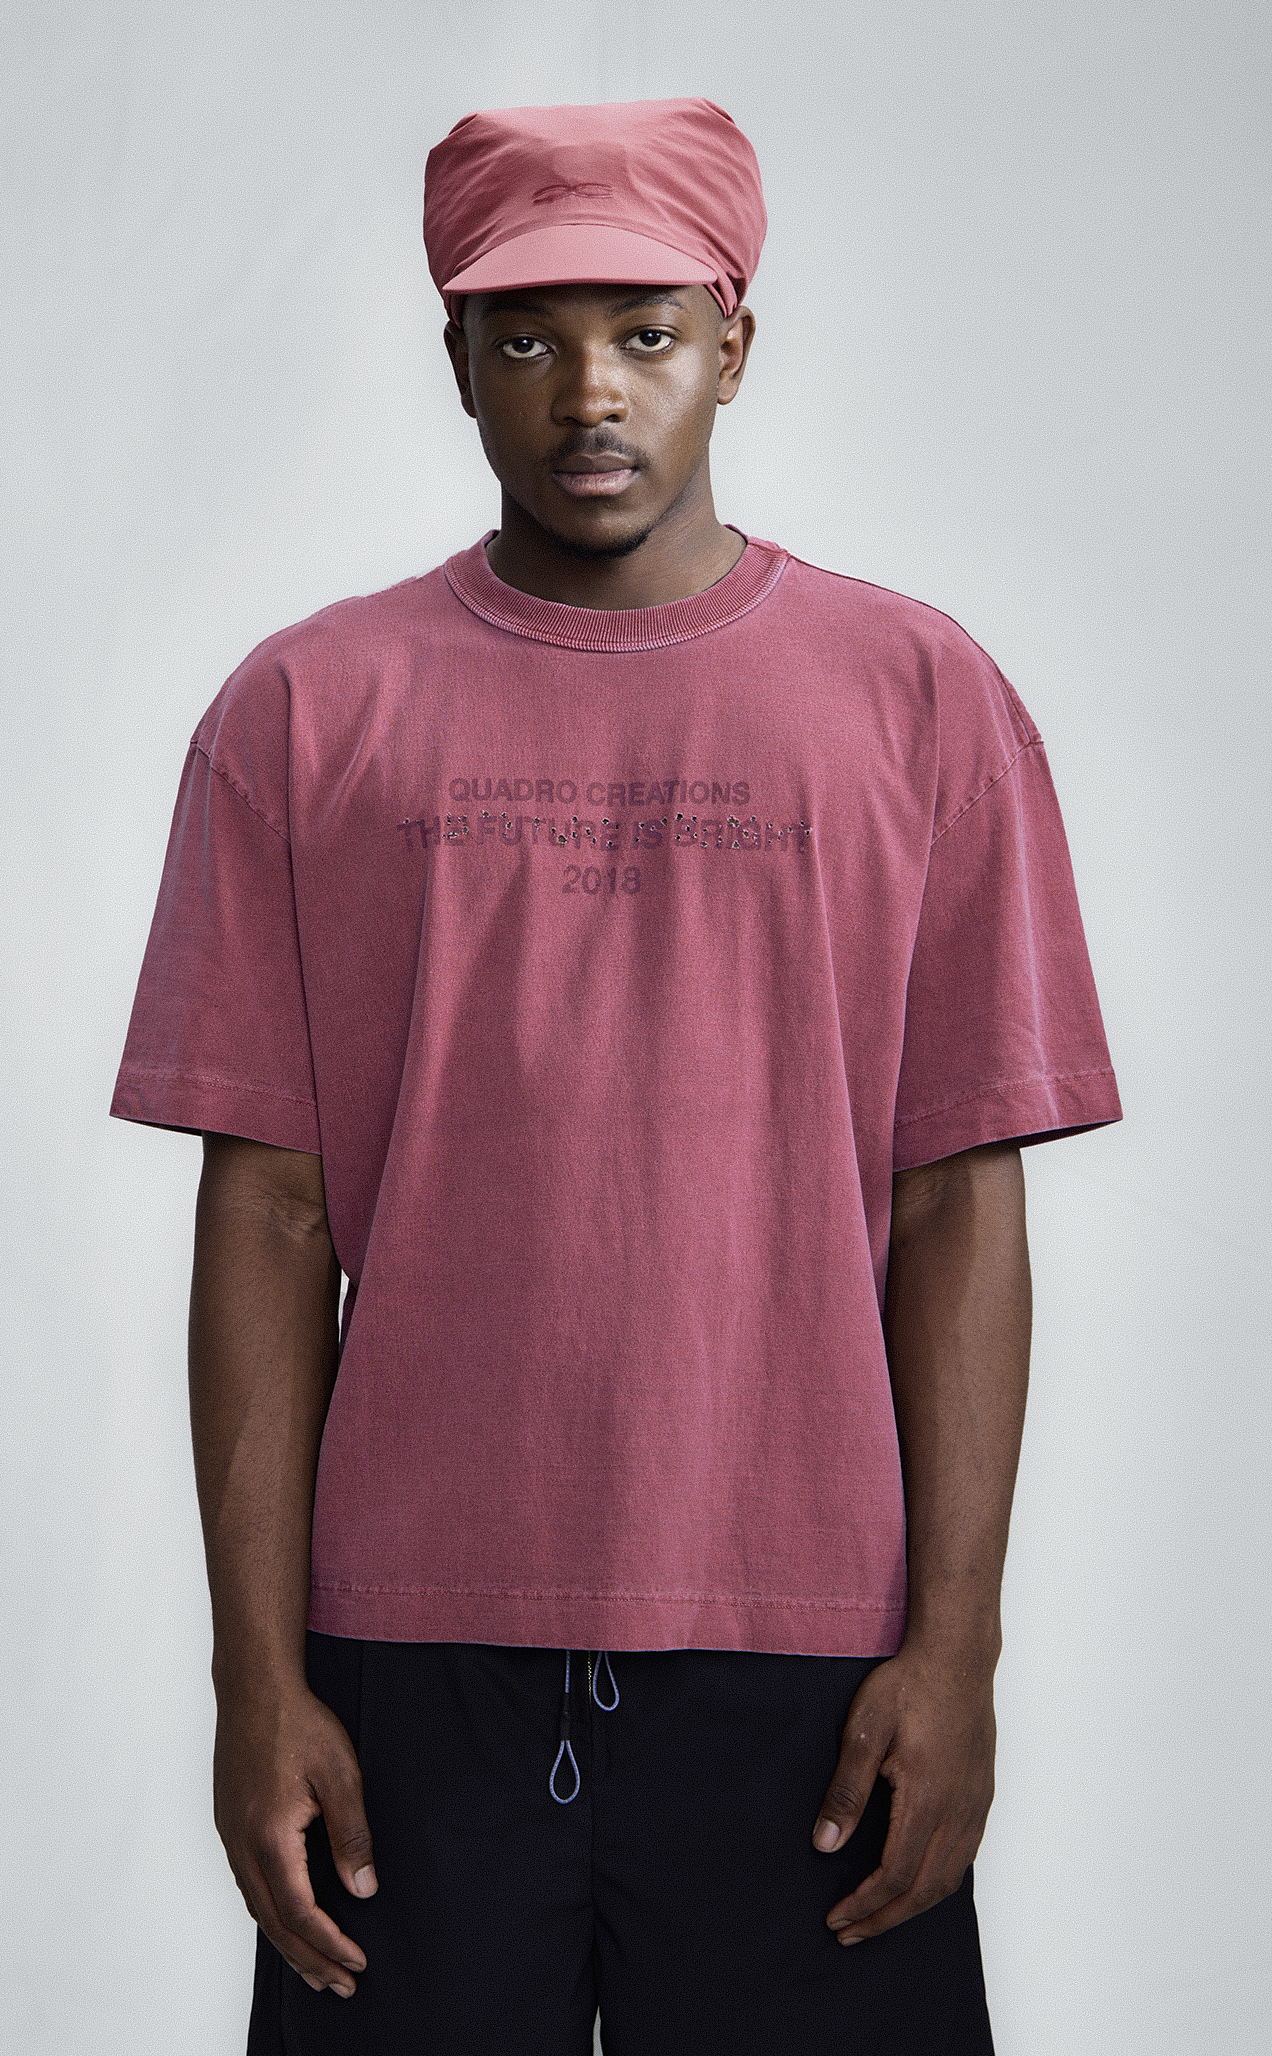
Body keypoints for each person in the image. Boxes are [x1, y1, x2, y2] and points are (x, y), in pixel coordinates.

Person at [111, 97, 1121, 2056]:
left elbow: (952, 1200)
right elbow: (272, 1213)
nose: (590, 391)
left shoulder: (924, 703)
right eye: (528, 336)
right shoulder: (305, 714)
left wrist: (958, 1649)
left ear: (733, 347)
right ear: (457, 360)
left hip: (812, 1659)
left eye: (645, 332)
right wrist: (256, 1675)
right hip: (407, 1655)